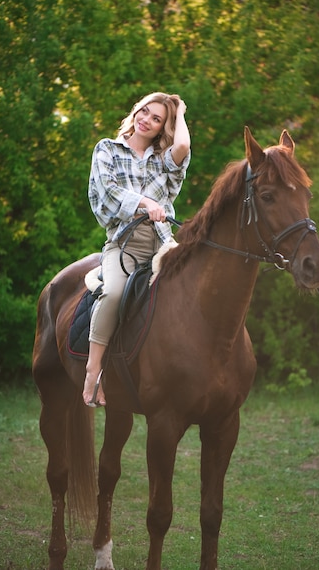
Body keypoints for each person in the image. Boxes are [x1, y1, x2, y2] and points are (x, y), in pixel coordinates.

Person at [83, 92, 191, 407]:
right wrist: (145, 203)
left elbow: (182, 147)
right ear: (136, 112)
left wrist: (179, 111)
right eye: (144, 112)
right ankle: (93, 371)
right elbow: (109, 191)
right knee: (114, 293)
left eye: (157, 119)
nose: (146, 120)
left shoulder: (162, 159)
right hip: (125, 243)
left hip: (162, 243)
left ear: (162, 128)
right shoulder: (108, 149)